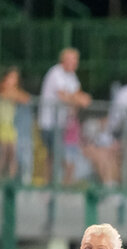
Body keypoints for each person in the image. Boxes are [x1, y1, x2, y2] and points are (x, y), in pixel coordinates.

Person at [38, 48, 91, 184]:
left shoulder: (71, 76)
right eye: (72, 60)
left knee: (55, 155)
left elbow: (78, 92)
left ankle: (53, 185)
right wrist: (79, 99)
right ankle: (52, 185)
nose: (75, 63)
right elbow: (64, 95)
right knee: (56, 155)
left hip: (61, 123)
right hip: (49, 122)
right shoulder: (56, 73)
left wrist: (79, 98)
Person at [0, 67, 31, 181]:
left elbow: (25, 98)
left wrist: (17, 94)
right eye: (11, 77)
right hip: (1, 125)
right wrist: (16, 94)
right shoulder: (2, 88)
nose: (13, 80)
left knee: (12, 154)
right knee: (2, 154)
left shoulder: (14, 91)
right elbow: (12, 95)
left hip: (10, 126)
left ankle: (10, 180)